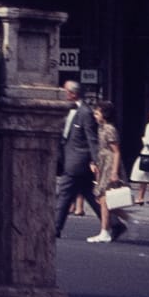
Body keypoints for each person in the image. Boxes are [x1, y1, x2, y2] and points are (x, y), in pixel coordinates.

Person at [53, 80, 99, 238]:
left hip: (78, 160)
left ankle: (55, 227)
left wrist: (95, 160)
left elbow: (91, 138)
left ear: (73, 94)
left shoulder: (85, 112)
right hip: (70, 157)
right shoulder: (68, 110)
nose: (63, 93)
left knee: (64, 193)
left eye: (65, 91)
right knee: (89, 193)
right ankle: (114, 223)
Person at [87, 102, 131, 243]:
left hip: (110, 164)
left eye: (97, 113)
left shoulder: (109, 129)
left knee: (104, 199)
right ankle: (127, 221)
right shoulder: (102, 128)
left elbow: (116, 152)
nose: (95, 116)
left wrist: (114, 171)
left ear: (104, 115)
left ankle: (105, 231)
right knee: (102, 199)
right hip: (104, 163)